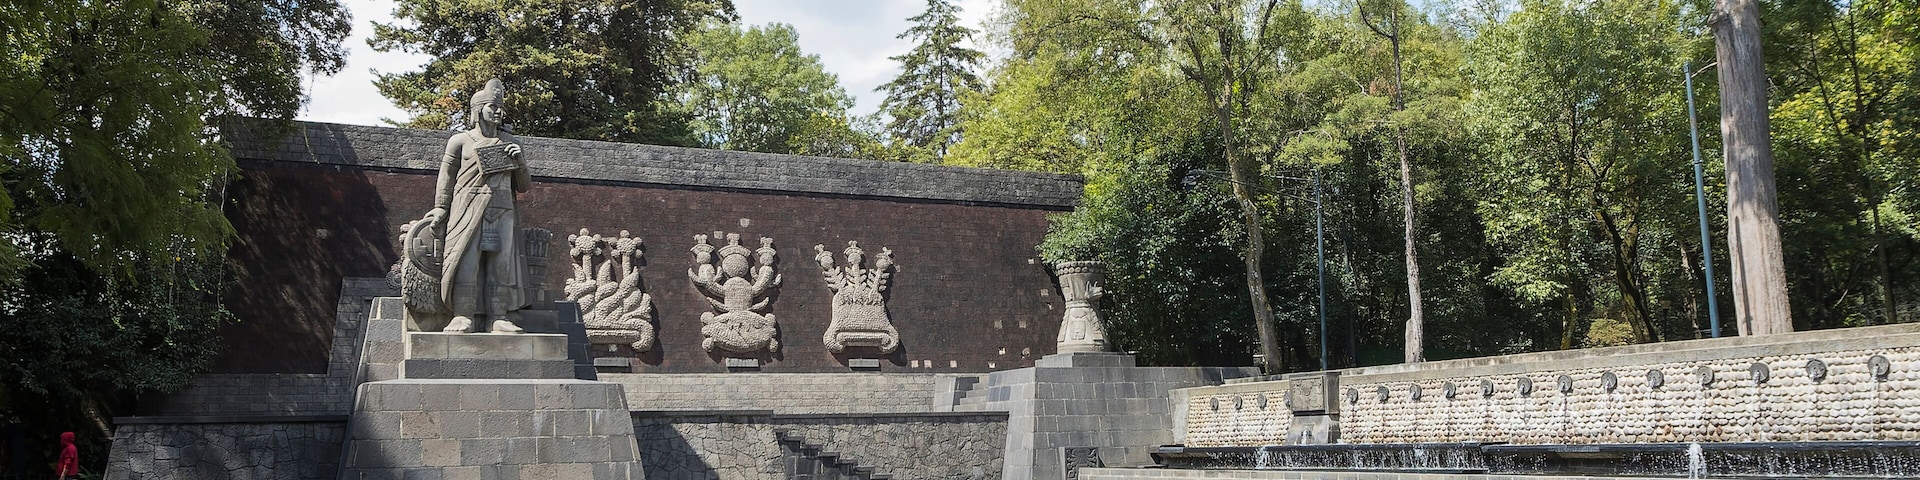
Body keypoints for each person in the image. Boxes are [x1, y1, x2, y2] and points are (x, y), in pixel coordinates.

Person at [424, 78, 532, 334]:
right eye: (492, 106)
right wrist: (441, 206)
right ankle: (462, 316)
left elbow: (524, 186)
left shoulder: (510, 142)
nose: (498, 111)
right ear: (477, 109)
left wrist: (521, 162)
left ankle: (498, 317)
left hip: (502, 208)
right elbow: (446, 175)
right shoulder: (460, 141)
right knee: (467, 262)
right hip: (467, 206)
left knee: (499, 265)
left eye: (500, 107)